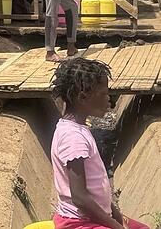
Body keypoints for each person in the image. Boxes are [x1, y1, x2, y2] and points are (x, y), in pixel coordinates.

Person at [51, 59, 150, 229]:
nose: (109, 99)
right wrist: (117, 227)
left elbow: (96, 188)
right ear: (83, 97)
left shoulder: (78, 129)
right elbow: (80, 197)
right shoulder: (73, 138)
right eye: (104, 94)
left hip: (91, 217)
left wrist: (116, 216)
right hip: (77, 223)